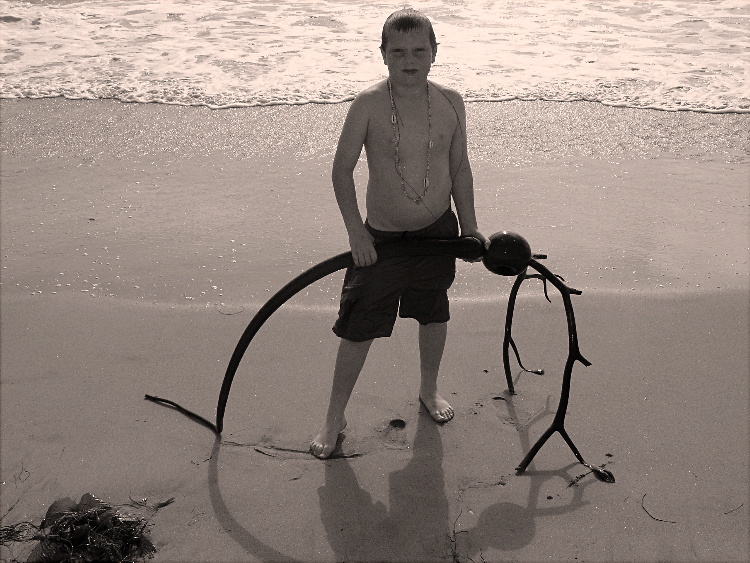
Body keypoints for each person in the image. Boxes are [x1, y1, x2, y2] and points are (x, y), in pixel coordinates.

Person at [310, 9, 488, 459]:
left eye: (419, 50)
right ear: (384, 55)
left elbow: (460, 167)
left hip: (438, 232)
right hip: (382, 240)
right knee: (358, 327)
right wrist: (357, 235)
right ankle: (334, 416)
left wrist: (469, 227)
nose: (410, 59)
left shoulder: (451, 101)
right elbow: (341, 171)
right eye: (399, 51)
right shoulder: (368, 104)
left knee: (433, 312)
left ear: (434, 52)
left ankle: (429, 390)